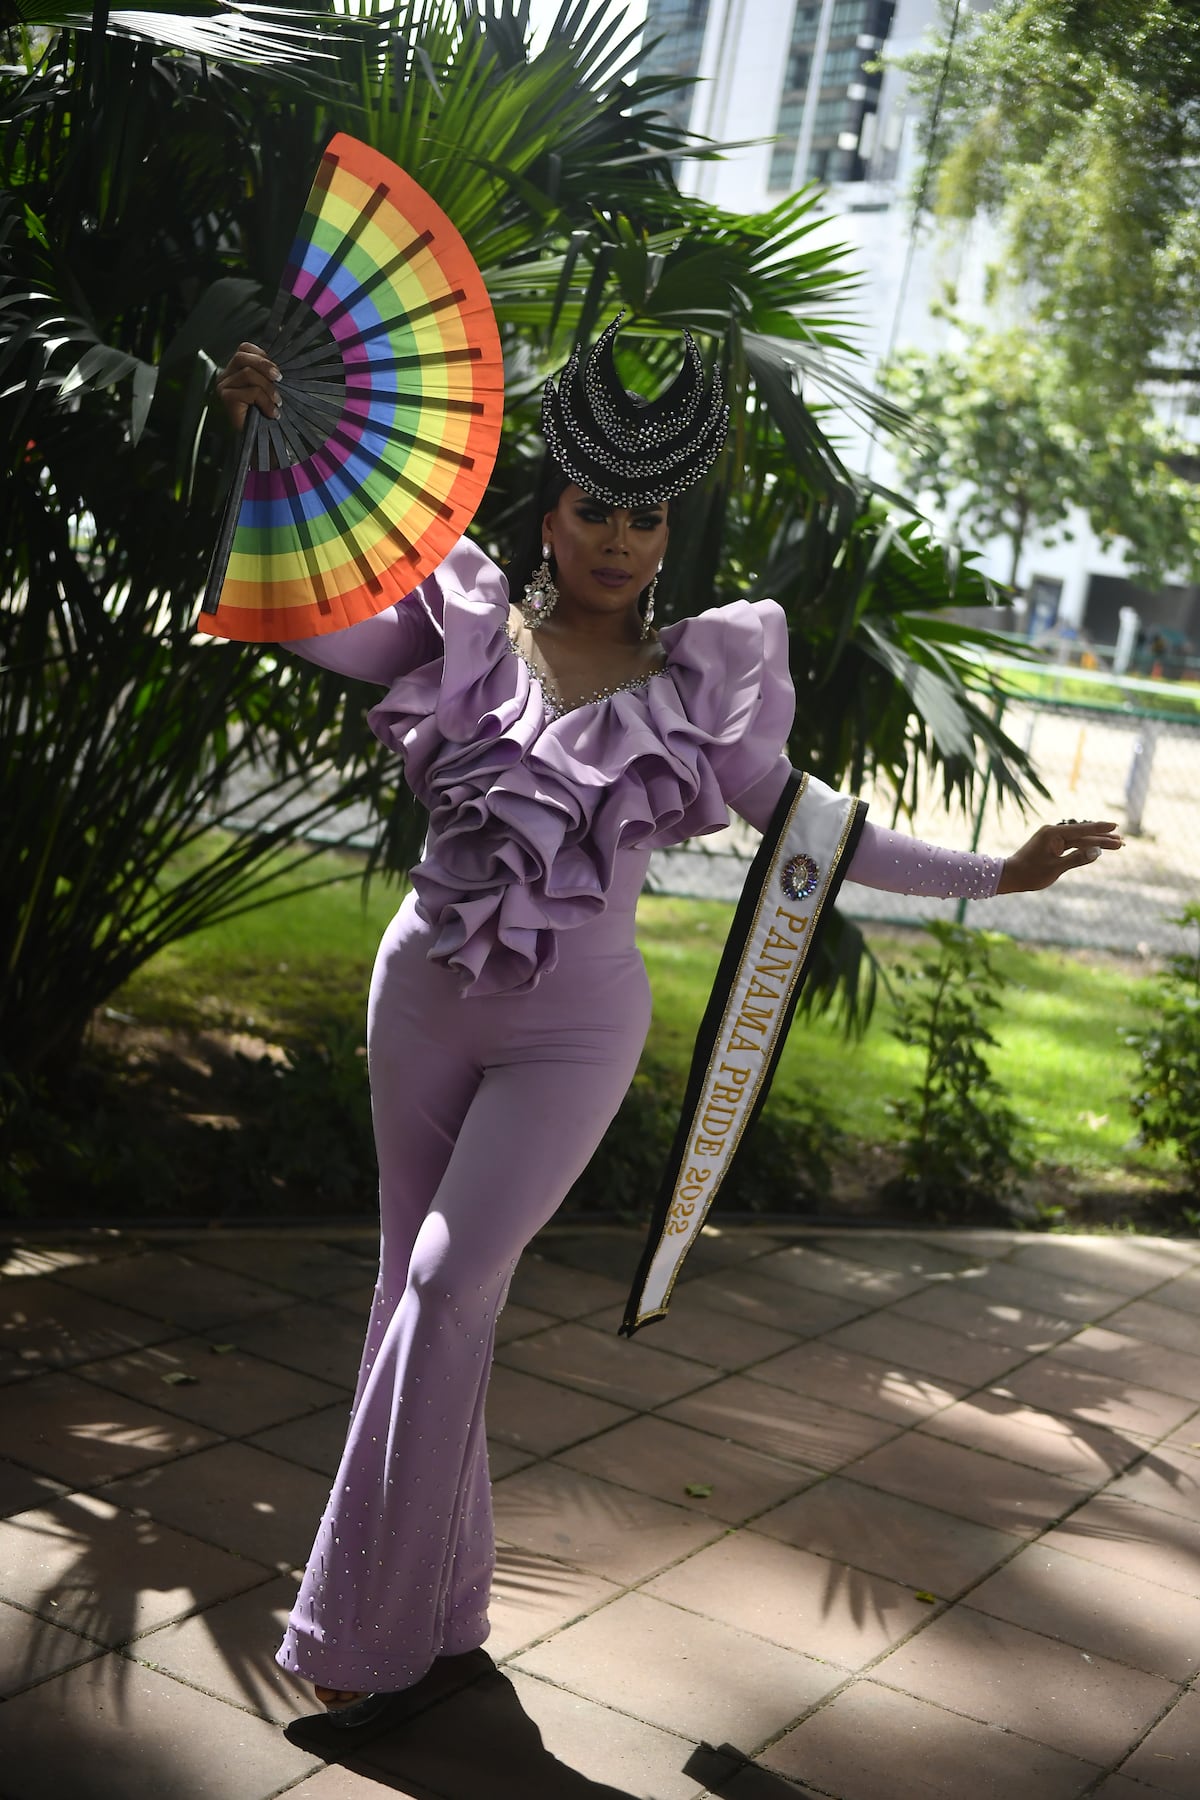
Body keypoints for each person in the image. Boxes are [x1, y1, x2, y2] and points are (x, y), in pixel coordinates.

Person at [215, 322, 1122, 1723]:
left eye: (646, 518)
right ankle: (442, 1611)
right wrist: (262, 444)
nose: (621, 540)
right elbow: (300, 608)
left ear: (668, 535)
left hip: (573, 1035)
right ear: (551, 513)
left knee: (448, 1291)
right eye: (597, 508)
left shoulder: (703, 684)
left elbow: (809, 826)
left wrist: (994, 873)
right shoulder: (462, 627)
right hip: (424, 996)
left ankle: (357, 1633)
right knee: (418, 1299)